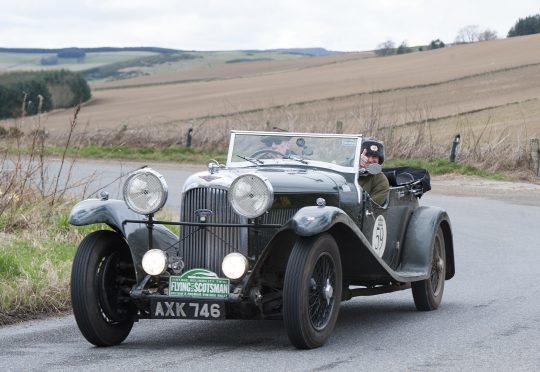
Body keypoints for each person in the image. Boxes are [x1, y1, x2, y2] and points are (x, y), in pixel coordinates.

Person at [358, 137, 389, 206]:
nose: (370, 160)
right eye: (366, 155)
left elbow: (369, 208)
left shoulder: (381, 181)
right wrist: (356, 165)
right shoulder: (349, 171)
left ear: (379, 160)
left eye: (374, 156)